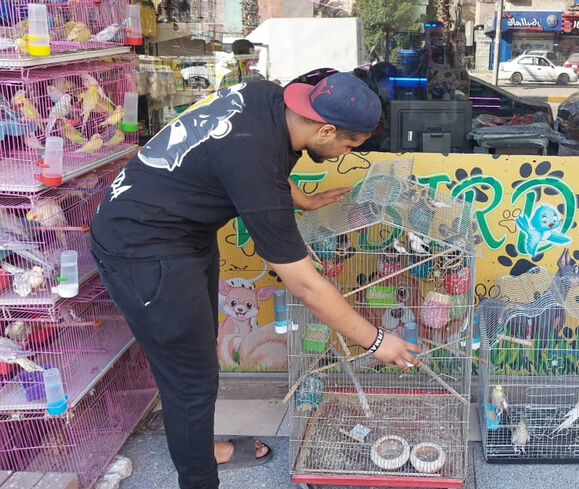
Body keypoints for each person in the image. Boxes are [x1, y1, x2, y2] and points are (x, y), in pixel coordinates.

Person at [89, 73, 422, 489]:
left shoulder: (267, 96)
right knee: (189, 379)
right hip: (141, 245)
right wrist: (377, 340)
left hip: (183, 231)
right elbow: (305, 285)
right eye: (347, 146)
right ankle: (198, 477)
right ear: (326, 129)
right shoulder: (256, 163)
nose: (341, 155)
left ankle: (198, 444)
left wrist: (299, 197)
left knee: (200, 348)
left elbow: (242, 157)